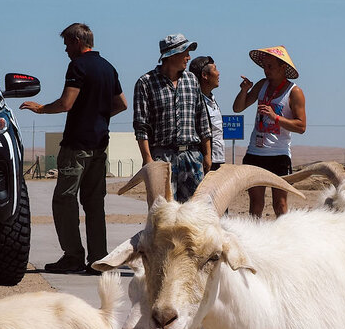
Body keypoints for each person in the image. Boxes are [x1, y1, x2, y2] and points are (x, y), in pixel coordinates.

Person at [21, 22, 127, 274]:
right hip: (100, 145)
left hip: (77, 145)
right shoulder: (108, 67)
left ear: (78, 42)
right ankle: (98, 257)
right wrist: (99, 117)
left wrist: (41, 108)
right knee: (94, 203)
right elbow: (121, 104)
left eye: (67, 44)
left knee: (64, 200)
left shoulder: (78, 65)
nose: (66, 50)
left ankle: (72, 256)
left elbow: (67, 103)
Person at [132, 33, 212, 201]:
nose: (189, 57)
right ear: (172, 55)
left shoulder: (192, 80)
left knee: (193, 213)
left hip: (192, 157)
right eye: (185, 53)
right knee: (164, 212)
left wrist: (207, 154)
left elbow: (202, 119)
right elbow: (141, 126)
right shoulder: (145, 83)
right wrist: (147, 159)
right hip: (161, 158)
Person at [232, 45, 306, 217]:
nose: (266, 70)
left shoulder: (294, 92)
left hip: (279, 155)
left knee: (280, 205)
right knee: (255, 205)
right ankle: (253, 240)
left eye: (270, 66)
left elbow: (301, 126)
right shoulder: (261, 85)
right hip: (255, 153)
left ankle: (284, 240)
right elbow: (237, 108)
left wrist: (275, 117)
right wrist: (244, 91)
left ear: (283, 67)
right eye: (264, 66)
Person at [191, 55, 224, 172]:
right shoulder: (194, 101)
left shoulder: (212, 100)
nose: (218, 73)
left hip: (216, 159)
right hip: (203, 161)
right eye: (215, 69)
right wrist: (206, 155)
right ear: (204, 76)